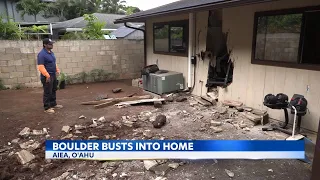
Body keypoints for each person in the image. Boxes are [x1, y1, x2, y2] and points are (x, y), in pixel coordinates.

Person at [37, 38, 63, 114]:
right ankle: (47, 107)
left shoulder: (51, 53)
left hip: (53, 74)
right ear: (45, 45)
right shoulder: (42, 54)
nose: (51, 45)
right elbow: (40, 66)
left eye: (52, 44)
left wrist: (57, 70)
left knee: (53, 89)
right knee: (47, 91)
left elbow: (53, 63)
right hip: (47, 76)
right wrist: (47, 75)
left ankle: (53, 104)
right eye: (49, 44)